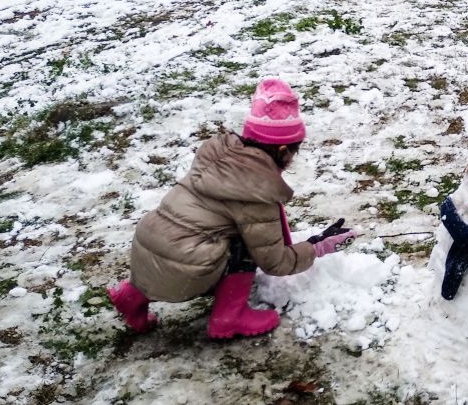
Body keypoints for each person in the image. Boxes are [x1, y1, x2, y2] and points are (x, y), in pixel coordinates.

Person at [107, 79, 357, 339]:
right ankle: (229, 317)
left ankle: (130, 297)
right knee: (245, 243)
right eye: (294, 152)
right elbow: (275, 262)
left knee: (189, 231)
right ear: (283, 150)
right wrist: (318, 247)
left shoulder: (220, 157)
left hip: (145, 254)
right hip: (183, 272)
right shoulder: (254, 191)